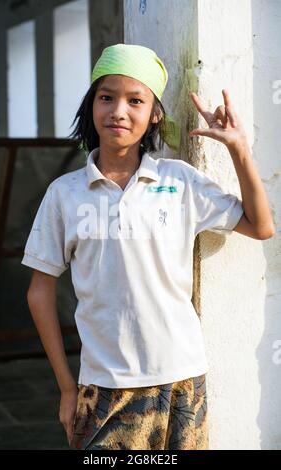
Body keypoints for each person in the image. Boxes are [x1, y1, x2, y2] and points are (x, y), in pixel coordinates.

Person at [21, 43, 275, 450]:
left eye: (135, 100)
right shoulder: (64, 194)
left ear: (155, 114)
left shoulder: (180, 182)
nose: (118, 111)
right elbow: (39, 291)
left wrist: (238, 148)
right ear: (91, 106)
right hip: (102, 387)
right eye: (106, 97)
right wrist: (67, 387)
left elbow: (261, 226)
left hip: (181, 382)